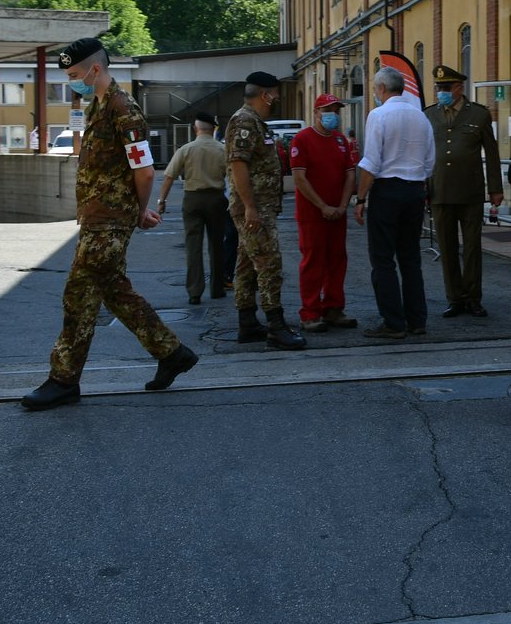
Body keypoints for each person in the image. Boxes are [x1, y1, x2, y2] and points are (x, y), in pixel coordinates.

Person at [21, 37, 198, 410]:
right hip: (98, 218)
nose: (73, 81)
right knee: (115, 291)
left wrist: (139, 211)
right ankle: (172, 353)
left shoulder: (122, 108)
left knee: (79, 295)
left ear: (95, 69)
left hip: (109, 223)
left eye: (74, 74)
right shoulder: (97, 106)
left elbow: (145, 170)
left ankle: (63, 380)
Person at [352, 65, 435, 340]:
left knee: (383, 259)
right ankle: (416, 319)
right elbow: (430, 162)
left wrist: (361, 198)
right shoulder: (421, 117)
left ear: (381, 89)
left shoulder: (378, 114)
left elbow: (371, 162)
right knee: (410, 257)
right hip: (415, 189)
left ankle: (393, 321)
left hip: (388, 190)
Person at [225, 72, 307, 350]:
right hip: (254, 209)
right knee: (270, 264)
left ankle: (247, 323)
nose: (277, 99)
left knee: (247, 265)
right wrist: (250, 207)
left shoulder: (255, 121)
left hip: (259, 207)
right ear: (265, 95)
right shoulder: (245, 121)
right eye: (274, 94)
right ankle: (276, 326)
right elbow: (238, 164)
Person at [423, 64, 503, 318]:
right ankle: (454, 298)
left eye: (446, 87)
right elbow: (423, 155)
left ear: (459, 88)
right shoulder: (429, 115)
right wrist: (423, 188)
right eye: (438, 88)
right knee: (446, 249)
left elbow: (491, 153)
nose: (441, 92)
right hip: (440, 191)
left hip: (470, 191)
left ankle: (473, 298)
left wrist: (496, 189)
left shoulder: (478, 115)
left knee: (471, 248)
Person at [290, 93, 360, 332]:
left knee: (337, 260)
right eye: (328, 110)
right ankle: (310, 313)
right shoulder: (302, 139)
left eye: (336, 110)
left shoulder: (341, 140)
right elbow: (300, 178)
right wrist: (323, 206)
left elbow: (350, 174)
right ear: (317, 112)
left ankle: (333, 308)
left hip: (337, 213)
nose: (333, 115)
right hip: (312, 215)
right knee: (313, 262)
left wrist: (341, 206)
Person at [154, 113, 229, 305]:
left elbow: (169, 175)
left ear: (195, 130)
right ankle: (217, 288)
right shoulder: (223, 149)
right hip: (216, 199)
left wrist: (162, 200)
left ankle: (194, 292)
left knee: (193, 246)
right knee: (217, 244)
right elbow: (233, 176)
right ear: (213, 129)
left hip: (192, 200)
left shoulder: (185, 149)